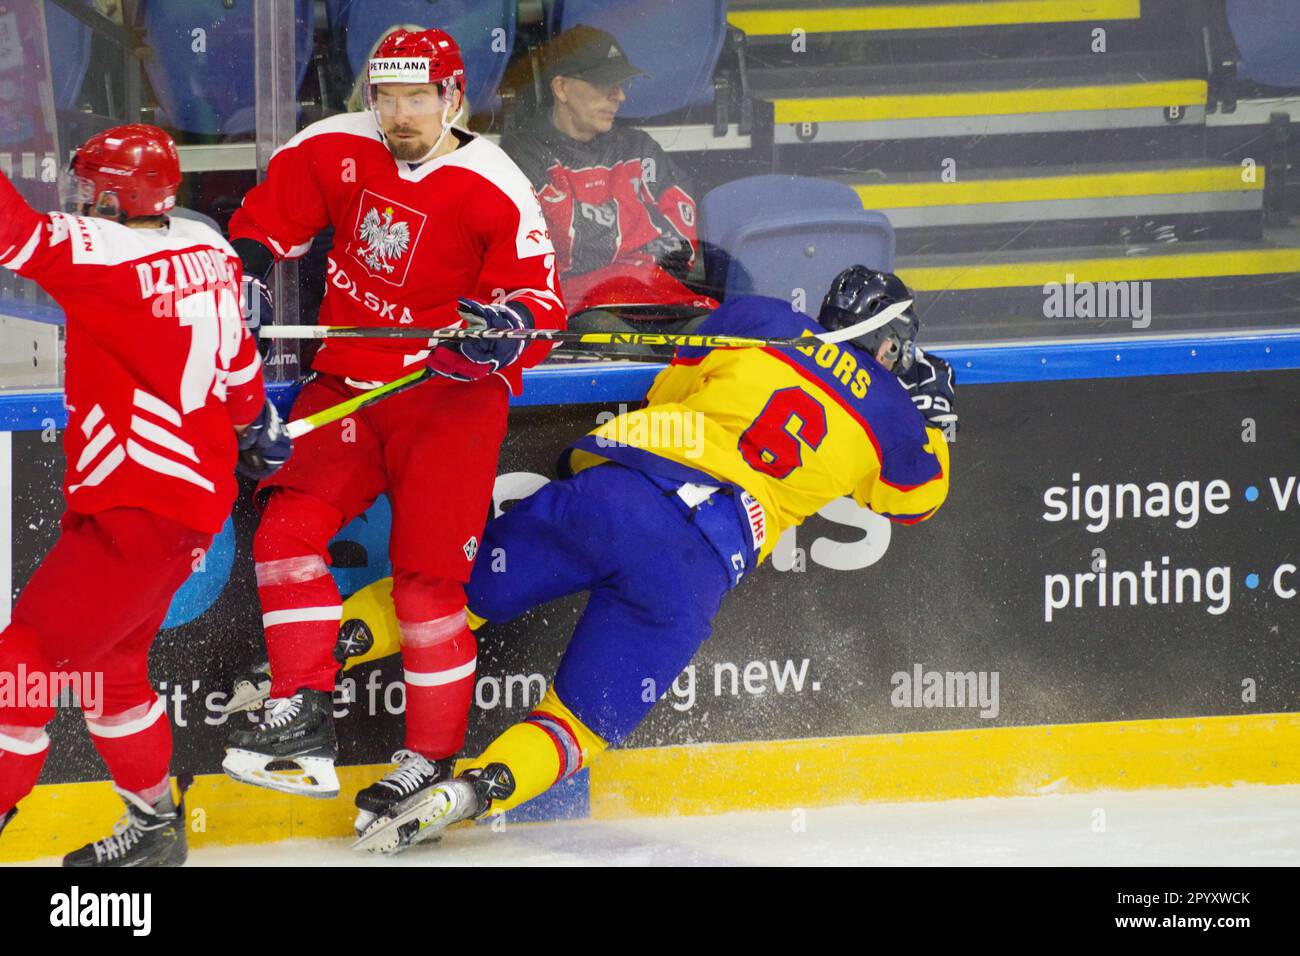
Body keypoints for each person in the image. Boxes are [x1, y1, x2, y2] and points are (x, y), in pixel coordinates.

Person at [350, 266, 957, 853]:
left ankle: (309, 658)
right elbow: (917, 503)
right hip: (696, 563)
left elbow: (667, 388)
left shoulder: (761, 316)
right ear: (888, 347)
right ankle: (475, 790)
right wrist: (932, 421)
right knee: (579, 724)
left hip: (616, 492)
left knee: (448, 601)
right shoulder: (893, 417)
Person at [219, 27, 565, 839]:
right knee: (285, 532)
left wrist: (503, 330)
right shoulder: (338, 146)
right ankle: (300, 713)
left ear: (455, 97)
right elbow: (267, 224)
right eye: (387, 97)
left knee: (426, 589)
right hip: (347, 385)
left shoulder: (495, 185)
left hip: (446, 402)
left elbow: (539, 305)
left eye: (418, 98)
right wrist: (240, 275)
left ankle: (427, 759)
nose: (400, 115)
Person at [0, 125, 285, 866]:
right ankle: (158, 828)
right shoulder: (208, 247)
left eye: (85, 189)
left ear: (107, 194)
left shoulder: (102, 252)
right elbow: (236, 366)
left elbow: (11, 235)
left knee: (20, 663)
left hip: (138, 500)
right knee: (117, 671)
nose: (76, 202)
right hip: (180, 503)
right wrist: (254, 422)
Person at [500, 25, 717, 329]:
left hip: (659, 301)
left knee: (715, 339)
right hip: (578, 309)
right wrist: (631, 249)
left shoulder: (640, 149)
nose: (620, 96)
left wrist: (624, 265)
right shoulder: (523, 158)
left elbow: (682, 243)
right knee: (618, 343)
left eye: (621, 83)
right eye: (605, 83)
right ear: (561, 88)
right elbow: (533, 262)